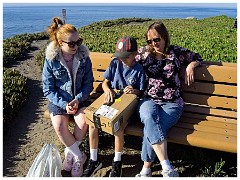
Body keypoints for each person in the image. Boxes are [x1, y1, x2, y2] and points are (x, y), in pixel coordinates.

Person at [134, 21, 203, 177]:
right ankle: (167, 167)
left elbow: (197, 57)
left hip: (172, 103)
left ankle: (145, 169)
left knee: (151, 127)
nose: (153, 44)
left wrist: (191, 66)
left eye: (156, 39)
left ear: (164, 37)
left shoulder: (176, 52)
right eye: (149, 41)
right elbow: (126, 60)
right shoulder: (145, 53)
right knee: (149, 118)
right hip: (148, 100)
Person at [82, 36, 146, 177]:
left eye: (126, 57)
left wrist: (133, 90)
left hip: (127, 107)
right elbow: (105, 83)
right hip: (112, 102)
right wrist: (107, 89)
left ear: (135, 54)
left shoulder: (139, 69)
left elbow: (140, 91)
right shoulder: (115, 63)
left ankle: (117, 162)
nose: (122, 60)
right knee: (93, 123)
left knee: (118, 128)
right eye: (120, 56)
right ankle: (94, 159)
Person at [42, 17, 94, 177]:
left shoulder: (84, 57)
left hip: (80, 99)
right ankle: (79, 156)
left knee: (83, 121)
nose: (76, 46)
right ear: (59, 43)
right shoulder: (51, 60)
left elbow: (89, 84)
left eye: (78, 42)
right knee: (59, 125)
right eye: (71, 43)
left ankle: (71, 153)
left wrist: (77, 99)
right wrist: (65, 104)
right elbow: (48, 89)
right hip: (59, 102)